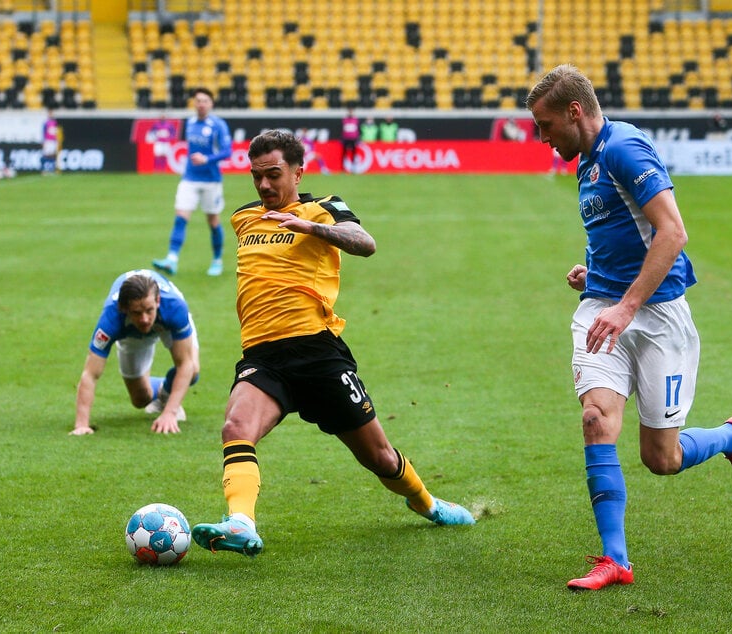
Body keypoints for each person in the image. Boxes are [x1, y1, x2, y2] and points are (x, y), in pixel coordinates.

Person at [525, 64, 732, 591]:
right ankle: (615, 560)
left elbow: (672, 232)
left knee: (662, 458)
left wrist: (626, 305)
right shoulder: (587, 162)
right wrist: (596, 274)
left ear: (575, 111)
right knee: (596, 418)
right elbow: (623, 232)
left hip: (656, 316)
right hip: (601, 309)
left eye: (545, 126)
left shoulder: (623, 149)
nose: (542, 139)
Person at [190, 130, 475, 557]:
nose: (264, 185)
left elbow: (366, 243)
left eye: (273, 174)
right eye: (256, 176)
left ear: (298, 171)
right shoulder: (243, 217)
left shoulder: (324, 208)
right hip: (263, 357)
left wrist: (309, 227)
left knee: (378, 457)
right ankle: (241, 523)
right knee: (236, 428)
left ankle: (429, 504)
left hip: (318, 353)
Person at [71, 269, 200, 436]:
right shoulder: (111, 319)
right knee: (140, 399)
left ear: (158, 301)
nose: (145, 319)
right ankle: (162, 389)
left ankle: (168, 394)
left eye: (149, 310)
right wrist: (81, 425)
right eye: (137, 313)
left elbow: (185, 364)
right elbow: (90, 374)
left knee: (193, 369)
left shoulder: (174, 307)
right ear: (124, 308)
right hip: (130, 333)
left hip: (167, 322)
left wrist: (170, 413)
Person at [153, 87, 233, 277]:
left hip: (211, 180)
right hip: (189, 178)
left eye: (205, 100)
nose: (201, 104)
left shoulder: (218, 125)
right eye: (198, 100)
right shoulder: (189, 123)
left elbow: (227, 151)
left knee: (213, 220)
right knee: (181, 217)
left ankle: (217, 260)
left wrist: (207, 159)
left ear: (211, 104)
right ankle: (172, 259)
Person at [41, 110, 61, 175]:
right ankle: (43, 169)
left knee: (53, 155)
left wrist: (57, 140)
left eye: (51, 114)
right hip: (48, 141)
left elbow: (56, 132)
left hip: (53, 141)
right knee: (46, 155)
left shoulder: (55, 123)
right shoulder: (45, 123)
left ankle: (52, 169)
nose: (51, 115)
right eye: (50, 114)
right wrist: (43, 141)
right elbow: (43, 133)